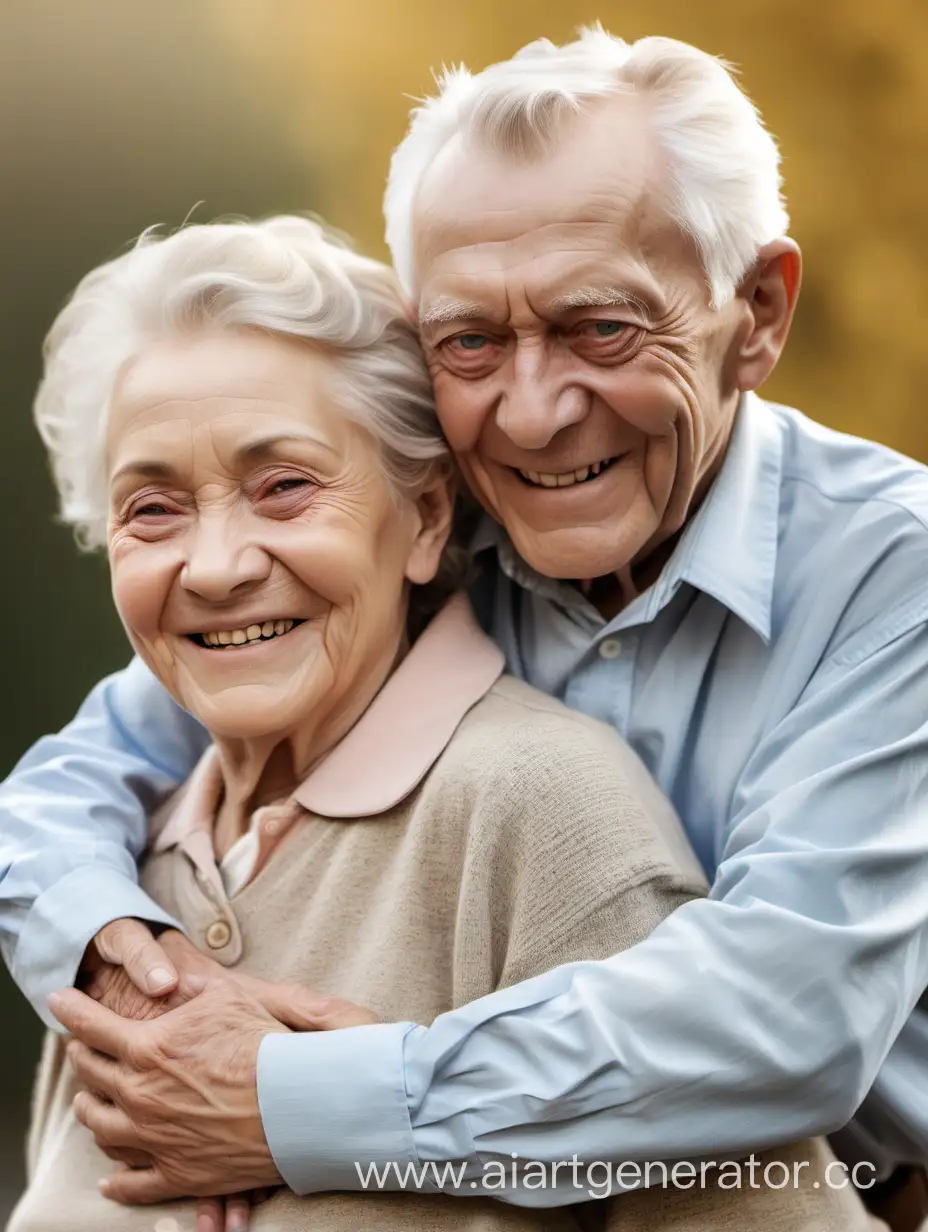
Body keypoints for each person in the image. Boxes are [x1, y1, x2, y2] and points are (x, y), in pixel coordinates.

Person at [2, 23, 927, 1232]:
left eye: (601, 327)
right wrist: (124, 958)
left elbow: (789, 1020)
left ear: (753, 312)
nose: (533, 415)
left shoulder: (891, 573)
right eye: (470, 342)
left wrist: (289, 1097)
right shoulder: (425, 527)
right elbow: (78, 775)